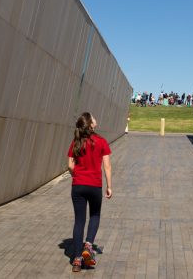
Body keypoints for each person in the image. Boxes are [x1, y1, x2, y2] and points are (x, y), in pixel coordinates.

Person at [67, 112, 113, 272]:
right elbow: (107, 166)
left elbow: (71, 166)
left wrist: (76, 177)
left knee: (79, 221)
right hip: (94, 186)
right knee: (95, 215)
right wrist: (109, 186)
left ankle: (77, 260)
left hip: (78, 186)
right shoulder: (101, 141)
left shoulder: (76, 141)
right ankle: (88, 245)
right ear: (91, 124)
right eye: (93, 117)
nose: (95, 118)